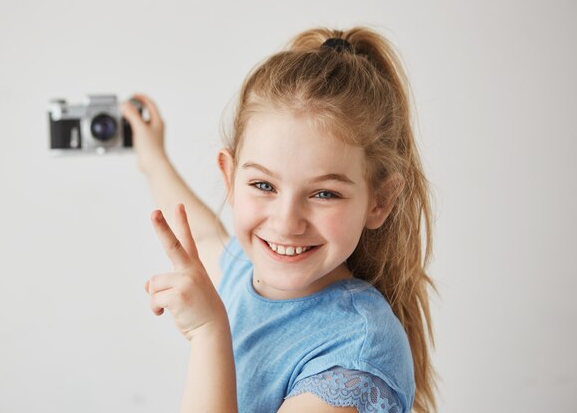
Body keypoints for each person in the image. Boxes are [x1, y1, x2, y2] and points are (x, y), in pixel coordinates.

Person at [120, 26, 438, 413]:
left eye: (324, 193)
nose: (287, 223)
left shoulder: (357, 351)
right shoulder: (246, 270)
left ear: (380, 201)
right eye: (263, 185)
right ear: (230, 178)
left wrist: (209, 333)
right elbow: (205, 236)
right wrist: (152, 156)